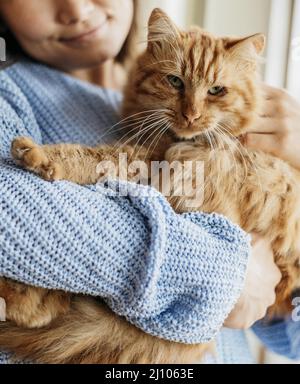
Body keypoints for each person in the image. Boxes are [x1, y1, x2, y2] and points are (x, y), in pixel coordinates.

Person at [0, 0, 296, 364]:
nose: (76, 9)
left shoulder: (209, 129)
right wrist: (226, 274)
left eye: (215, 92)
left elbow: (289, 333)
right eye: (174, 82)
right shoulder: (9, 88)